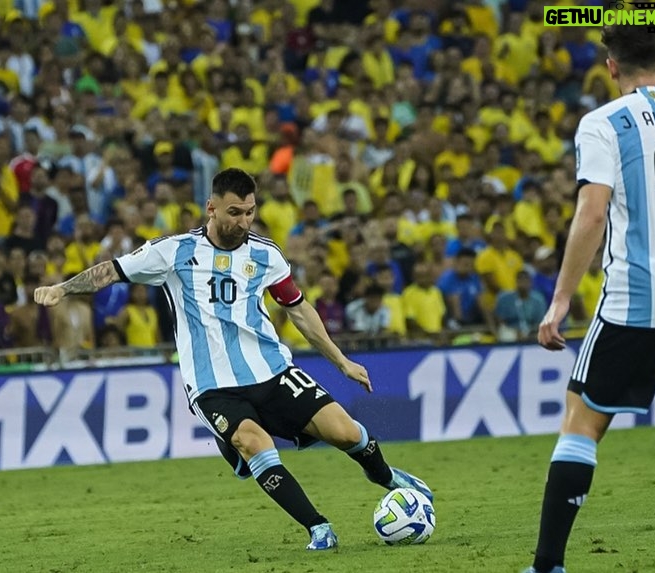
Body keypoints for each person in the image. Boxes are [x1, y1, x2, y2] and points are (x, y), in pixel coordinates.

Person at [35, 168, 432, 550]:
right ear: (211, 208)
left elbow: (298, 309)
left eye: (249, 212)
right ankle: (318, 527)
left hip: (272, 370)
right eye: (234, 213)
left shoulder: (266, 255)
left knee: (345, 432)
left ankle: (386, 477)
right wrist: (62, 288)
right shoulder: (174, 252)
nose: (244, 222)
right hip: (212, 385)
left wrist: (341, 361)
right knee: (252, 442)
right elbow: (112, 271)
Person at [526, 26, 655, 573]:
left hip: (638, 296)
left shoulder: (603, 122)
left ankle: (548, 566)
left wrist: (561, 299)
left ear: (610, 67)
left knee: (582, 424)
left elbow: (591, 213)